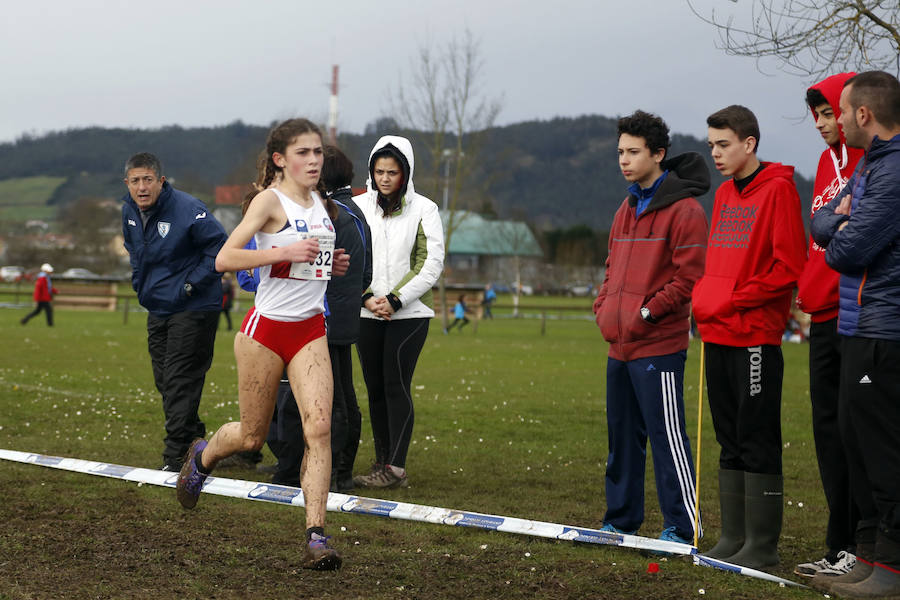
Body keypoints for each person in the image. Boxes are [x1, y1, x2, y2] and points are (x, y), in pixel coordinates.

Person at [174, 118, 349, 571]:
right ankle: (203, 455)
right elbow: (224, 259)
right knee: (252, 438)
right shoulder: (269, 202)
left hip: (310, 330)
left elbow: (312, 266)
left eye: (318, 152)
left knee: (320, 428)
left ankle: (316, 535)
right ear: (280, 159)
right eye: (304, 153)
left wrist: (332, 264)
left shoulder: (322, 204)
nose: (314, 161)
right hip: (265, 332)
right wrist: (281, 253)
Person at [691, 105, 807, 569]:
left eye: (723, 144)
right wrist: (707, 296)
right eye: (711, 145)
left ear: (749, 144)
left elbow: (788, 268)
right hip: (716, 332)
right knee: (728, 435)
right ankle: (733, 535)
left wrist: (734, 298)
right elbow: (718, 262)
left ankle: (762, 545)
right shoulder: (722, 196)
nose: (715, 153)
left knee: (757, 435)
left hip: (754, 336)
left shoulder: (778, 191)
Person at [593, 110, 708, 546]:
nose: (624, 160)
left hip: (658, 345)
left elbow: (688, 278)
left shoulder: (686, 211)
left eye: (634, 152)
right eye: (620, 151)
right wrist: (604, 308)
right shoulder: (625, 208)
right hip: (618, 345)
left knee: (667, 440)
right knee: (621, 440)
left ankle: (682, 526)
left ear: (658, 154)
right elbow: (610, 269)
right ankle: (621, 521)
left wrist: (646, 314)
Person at [810, 71, 900, 599]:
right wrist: (837, 224)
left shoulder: (892, 174)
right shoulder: (871, 166)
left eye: (841, 111)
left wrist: (840, 228)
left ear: (863, 114)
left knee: (883, 451)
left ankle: (892, 570)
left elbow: (844, 251)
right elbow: (820, 224)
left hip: (884, 330)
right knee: (858, 444)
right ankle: (870, 557)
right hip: (857, 326)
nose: (837, 120)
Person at [793, 72, 864, 580]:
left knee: (858, 429)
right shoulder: (823, 164)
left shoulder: (870, 159)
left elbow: (853, 230)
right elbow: (818, 232)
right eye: (816, 115)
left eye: (829, 113)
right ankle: (838, 544)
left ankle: (865, 546)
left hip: (856, 314)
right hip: (819, 313)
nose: (822, 123)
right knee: (826, 432)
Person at [121, 152, 228, 472]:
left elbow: (219, 248)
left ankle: (175, 456)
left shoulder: (188, 209)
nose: (142, 187)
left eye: (148, 180)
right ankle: (195, 437)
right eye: (135, 181)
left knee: (180, 379)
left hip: (194, 306)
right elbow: (135, 253)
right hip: (159, 306)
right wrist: (141, 286)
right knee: (165, 380)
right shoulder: (128, 211)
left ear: (161, 181)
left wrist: (191, 285)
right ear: (127, 184)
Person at [352, 135, 445, 489]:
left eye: (392, 172)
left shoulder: (426, 209)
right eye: (379, 171)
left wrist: (395, 299)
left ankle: (397, 468)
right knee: (374, 388)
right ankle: (382, 460)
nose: (385, 178)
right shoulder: (358, 208)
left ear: (405, 173)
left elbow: (430, 263)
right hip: (366, 313)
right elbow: (351, 257)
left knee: (395, 384)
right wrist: (366, 299)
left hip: (409, 314)